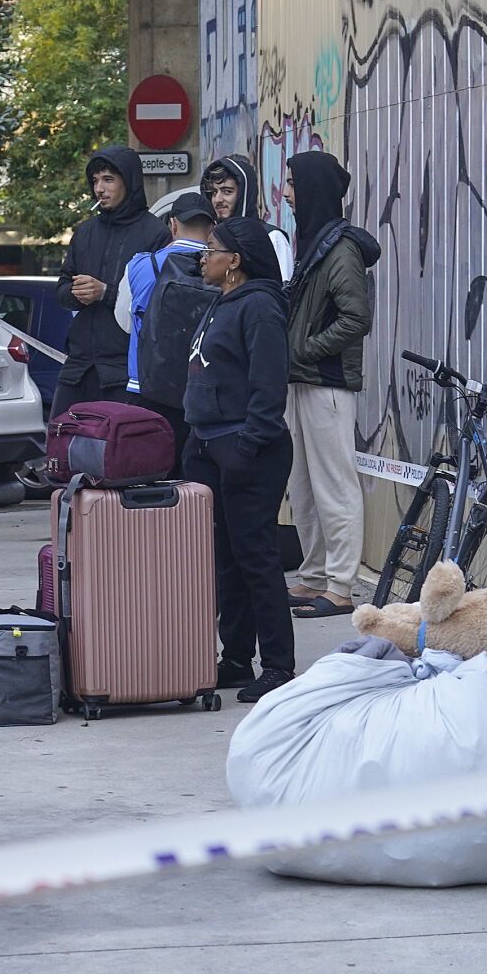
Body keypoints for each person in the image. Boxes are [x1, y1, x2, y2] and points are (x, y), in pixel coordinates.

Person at [183, 215, 295, 704]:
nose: (202, 257)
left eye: (211, 249)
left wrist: (247, 446)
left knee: (256, 558)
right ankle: (235, 657)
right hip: (208, 445)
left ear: (236, 262)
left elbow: (269, 387)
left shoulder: (261, 308)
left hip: (248, 451)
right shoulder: (220, 302)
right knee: (224, 559)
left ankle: (278, 667)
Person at [282, 150, 380, 620]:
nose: (286, 192)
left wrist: (304, 350)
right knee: (303, 485)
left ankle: (341, 585)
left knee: (335, 485)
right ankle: (315, 574)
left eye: (292, 184)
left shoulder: (338, 249)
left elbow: (357, 318)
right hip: (303, 380)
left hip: (328, 383)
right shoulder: (315, 243)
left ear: (313, 190)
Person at [51, 145, 170, 417]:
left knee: (119, 453)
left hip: (124, 370)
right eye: (95, 181)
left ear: (128, 181)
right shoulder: (85, 232)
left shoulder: (155, 233)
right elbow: (61, 288)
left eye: (108, 180)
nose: (99, 189)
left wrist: (105, 293)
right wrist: (74, 292)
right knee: (61, 446)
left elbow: (158, 303)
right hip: (79, 368)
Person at [114, 191, 216, 458]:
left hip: (147, 386)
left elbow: (124, 322)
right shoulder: (223, 267)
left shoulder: (141, 264)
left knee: (152, 475)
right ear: (213, 228)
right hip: (205, 388)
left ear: (172, 224)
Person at [200, 153, 293, 282]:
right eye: (214, 192)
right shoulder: (212, 238)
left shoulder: (272, 237)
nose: (218, 200)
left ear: (244, 194)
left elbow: (282, 293)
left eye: (227, 191)